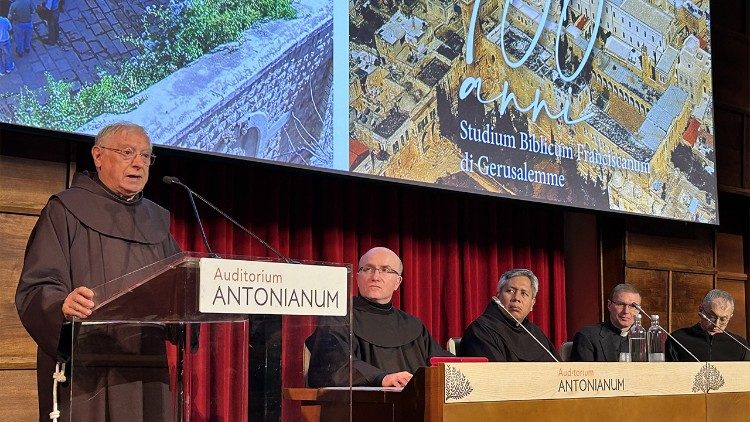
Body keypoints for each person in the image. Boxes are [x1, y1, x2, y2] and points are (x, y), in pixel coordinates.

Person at [16, 122, 181, 421]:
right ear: (98, 156)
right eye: (128, 152)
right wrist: (61, 306)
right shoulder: (65, 209)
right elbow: (37, 286)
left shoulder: (156, 221)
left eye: (146, 156)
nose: (138, 163)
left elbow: (178, 288)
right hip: (85, 364)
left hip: (144, 361)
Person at [306, 247, 452, 388]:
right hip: (362, 408)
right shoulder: (338, 316)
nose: (375, 277)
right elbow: (333, 365)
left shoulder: (413, 325)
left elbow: (440, 362)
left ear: (398, 282)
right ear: (357, 278)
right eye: (368, 269)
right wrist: (381, 378)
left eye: (385, 270)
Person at [459, 269, 560, 361]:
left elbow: (560, 372)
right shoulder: (481, 330)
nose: (517, 298)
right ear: (498, 296)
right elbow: (496, 376)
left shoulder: (536, 335)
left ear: (532, 303)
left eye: (524, 293)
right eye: (510, 291)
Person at [667, 289, 750, 362]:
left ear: (730, 316)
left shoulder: (741, 345)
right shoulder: (677, 339)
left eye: (723, 319)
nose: (716, 325)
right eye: (712, 317)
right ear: (701, 310)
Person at [571, 283, 642, 361]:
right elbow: (585, 372)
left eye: (633, 306)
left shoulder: (646, 338)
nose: (626, 311)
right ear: (609, 305)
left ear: (638, 310)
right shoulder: (587, 336)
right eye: (621, 304)